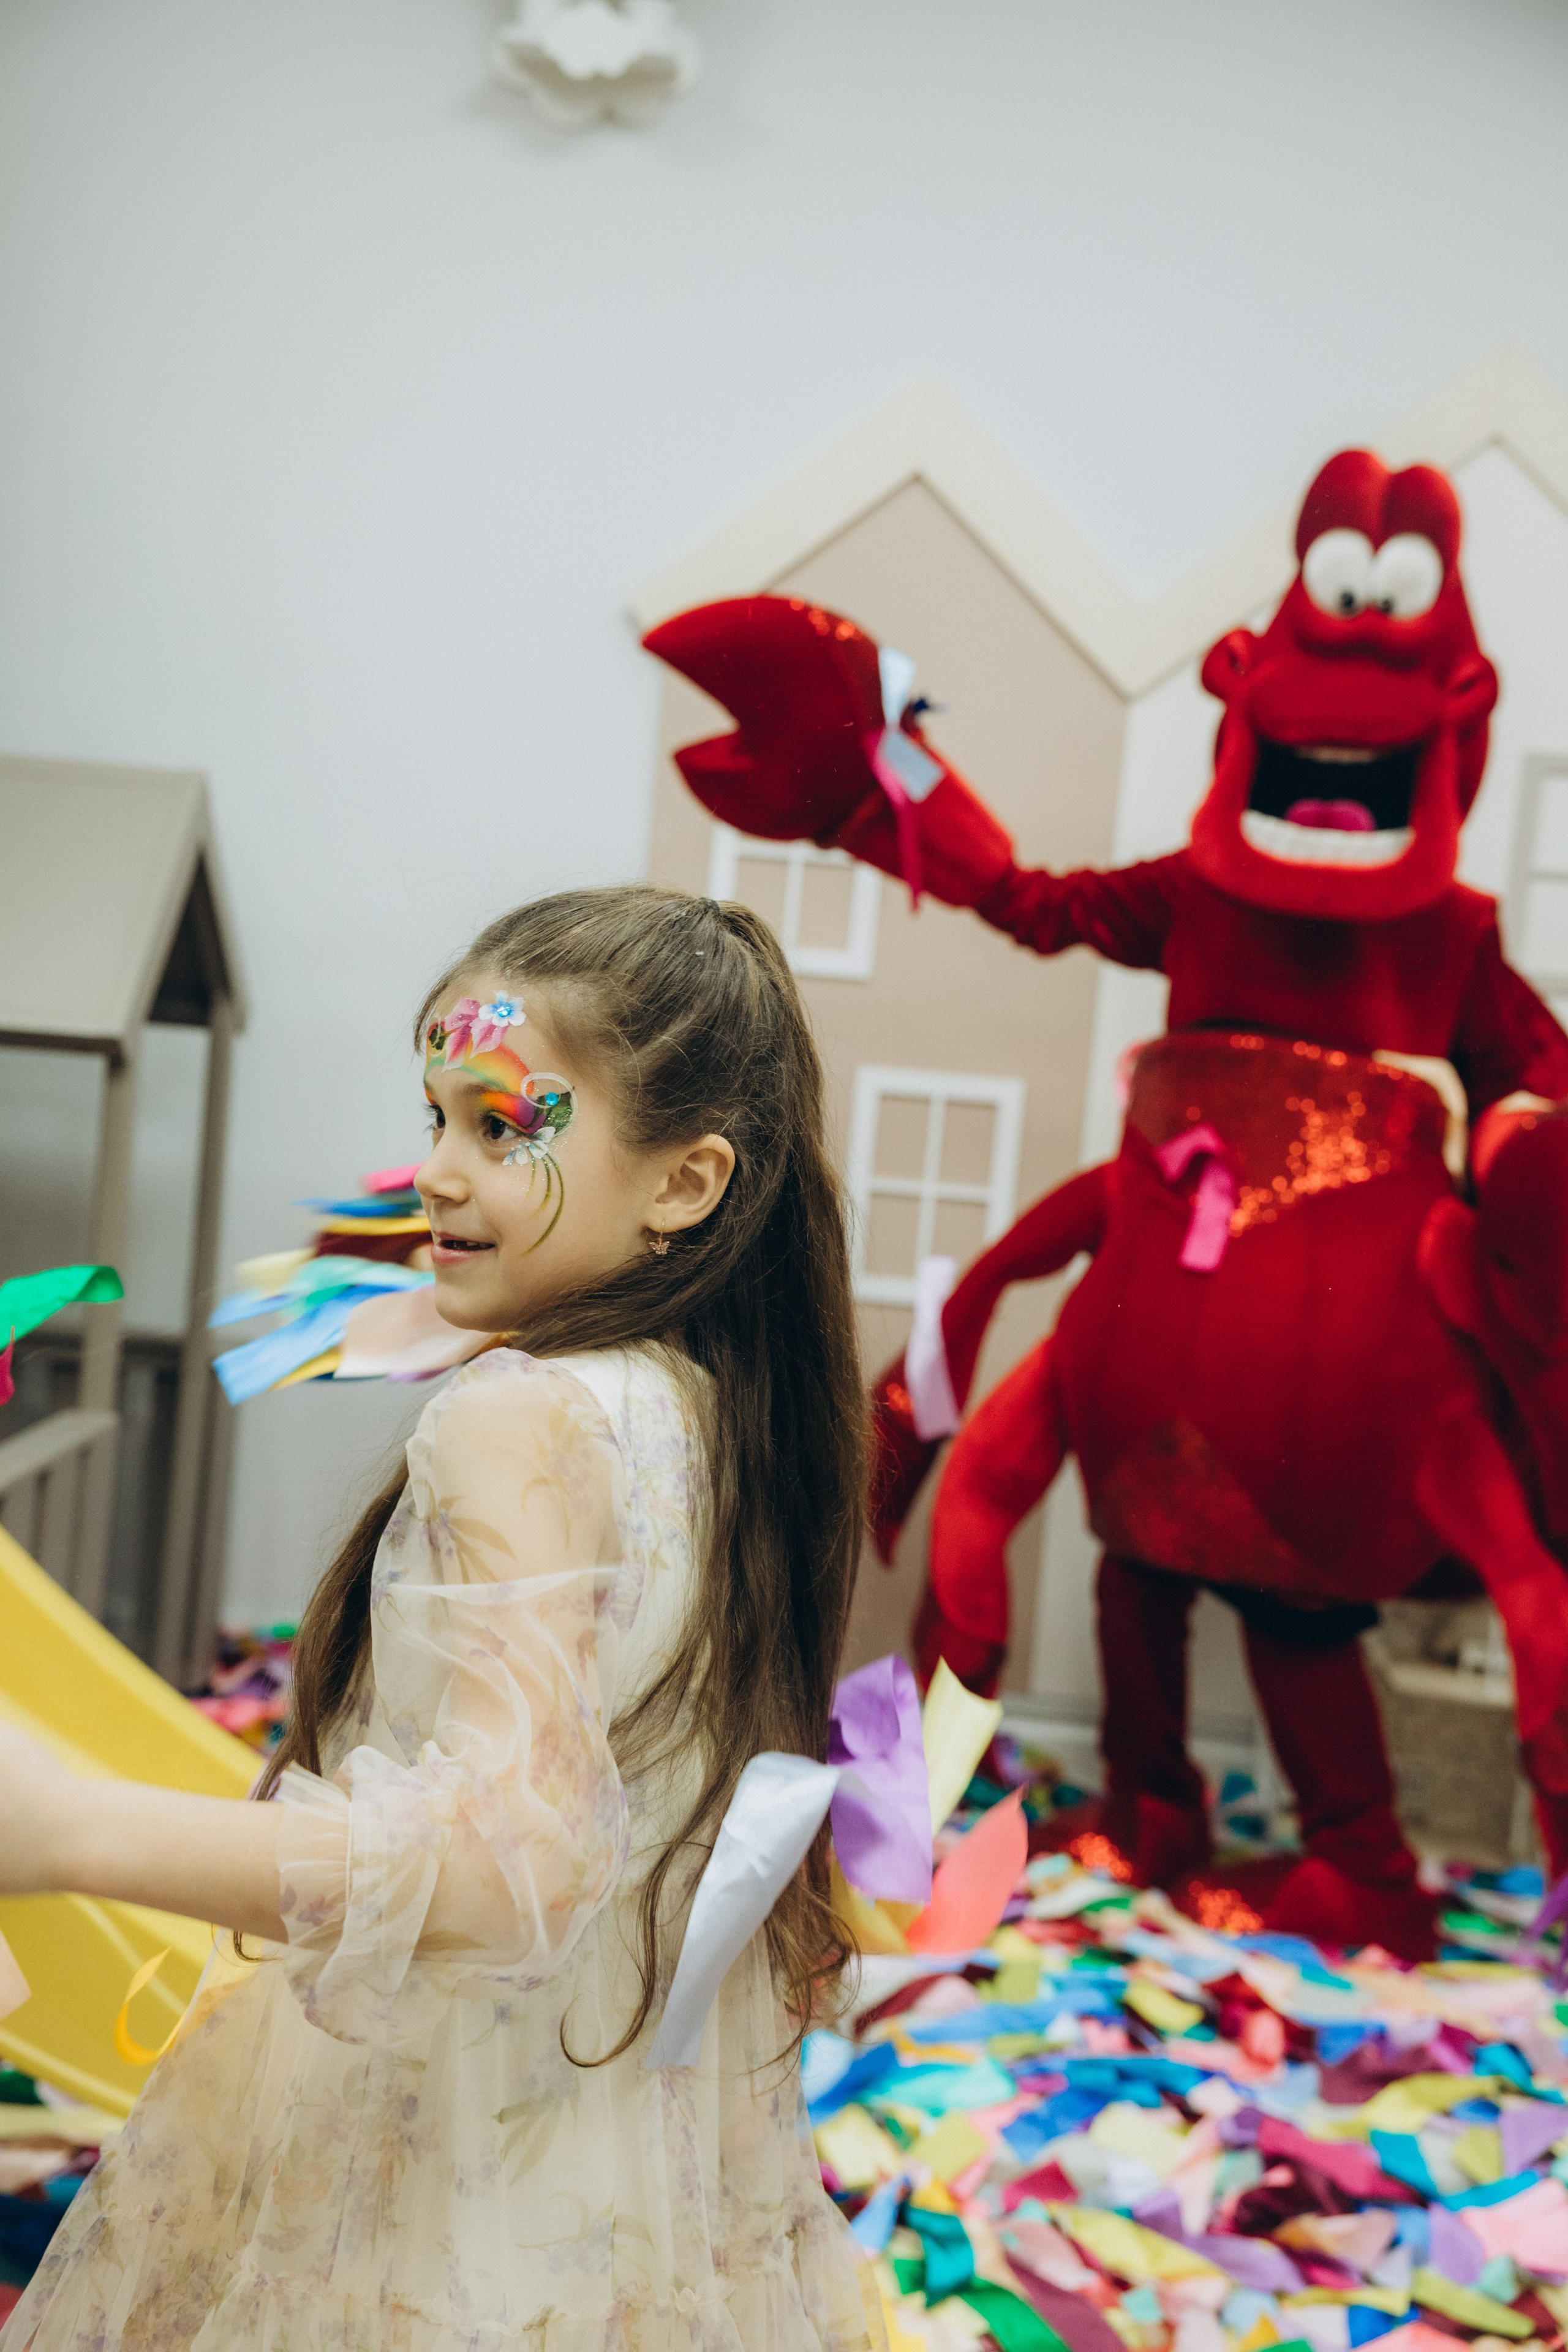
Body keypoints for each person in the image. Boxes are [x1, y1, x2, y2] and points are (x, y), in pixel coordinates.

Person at [0, 885, 881, 2352]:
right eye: (437, 1119)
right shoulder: (722, 1423)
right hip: (601, 2181)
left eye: (503, 1124)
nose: (437, 1174)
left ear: (684, 1184)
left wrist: (65, 1830)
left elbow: (503, 1862)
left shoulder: (519, 1419)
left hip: (441, 2185)